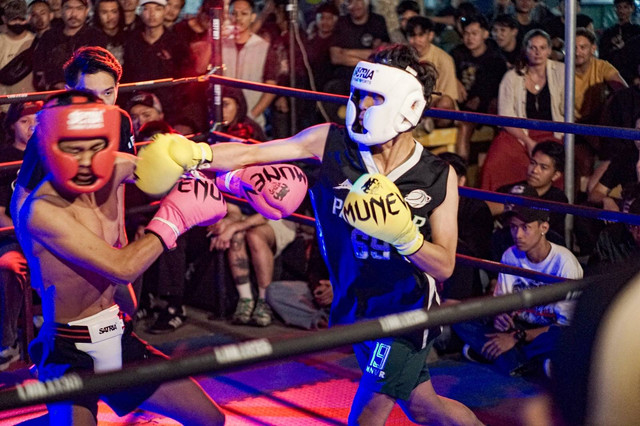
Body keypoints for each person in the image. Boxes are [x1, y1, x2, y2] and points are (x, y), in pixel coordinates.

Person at [137, 43, 481, 425]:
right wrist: (196, 153)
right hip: (355, 305)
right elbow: (254, 155)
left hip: (406, 312)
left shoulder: (437, 175)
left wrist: (406, 237)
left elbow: (445, 265)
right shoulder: (330, 142)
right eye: (360, 94)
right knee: (423, 406)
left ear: (407, 106)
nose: (363, 105)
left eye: (375, 97)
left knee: (369, 411)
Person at [14, 90, 226, 425]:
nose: (86, 160)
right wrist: (174, 218)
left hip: (117, 336)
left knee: (209, 419)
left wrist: (239, 180)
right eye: (74, 149)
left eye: (95, 146)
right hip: (70, 350)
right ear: (51, 147)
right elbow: (123, 267)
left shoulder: (116, 168)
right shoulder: (43, 210)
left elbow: (191, 160)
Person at [452, 202, 583, 377]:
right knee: (460, 316)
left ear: (543, 227)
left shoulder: (564, 262)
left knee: (563, 338)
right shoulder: (510, 254)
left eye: (525, 227)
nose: (518, 235)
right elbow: (502, 303)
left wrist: (516, 337)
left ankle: (502, 356)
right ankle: (530, 364)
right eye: (514, 227)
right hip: (518, 325)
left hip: (546, 330)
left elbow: (566, 323)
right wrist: (501, 317)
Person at [481, 29, 564, 192]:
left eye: (542, 48)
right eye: (533, 48)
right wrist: (527, 141)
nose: (538, 52)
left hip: (552, 132)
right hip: (519, 132)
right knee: (497, 157)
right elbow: (505, 115)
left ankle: (548, 209)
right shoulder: (512, 76)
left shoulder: (562, 72)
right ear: (525, 50)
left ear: (549, 50)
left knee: (555, 159)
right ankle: (494, 206)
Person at [0, 101, 41, 371]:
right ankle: (8, 344)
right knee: (8, 266)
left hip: (50, 232)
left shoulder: (48, 153)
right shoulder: (4, 158)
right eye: (24, 121)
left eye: (36, 119)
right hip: (14, 235)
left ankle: (58, 327)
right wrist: (25, 235)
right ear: (12, 125)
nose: (31, 126)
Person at [451, 14, 507, 160]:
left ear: (485, 34)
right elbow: (445, 70)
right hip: (457, 104)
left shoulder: (495, 59)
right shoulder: (457, 53)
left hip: (482, 108)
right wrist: (454, 80)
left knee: (465, 125)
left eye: (474, 33)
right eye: (466, 33)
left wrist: (480, 98)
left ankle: (460, 170)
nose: (470, 38)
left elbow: (493, 89)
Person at [32, 0, 107, 90]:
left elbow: (95, 68)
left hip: (84, 93)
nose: (73, 14)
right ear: (61, 10)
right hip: (53, 97)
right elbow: (39, 71)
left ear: (86, 11)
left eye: (79, 8)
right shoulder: (49, 36)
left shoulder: (95, 36)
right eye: (69, 8)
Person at [406, 16, 458, 130]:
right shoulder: (403, 58)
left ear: (430, 35)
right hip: (409, 105)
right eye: (412, 36)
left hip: (433, 106)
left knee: (445, 103)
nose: (416, 41)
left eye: (421, 35)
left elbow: (449, 95)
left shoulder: (444, 59)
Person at [0, 0, 36, 112]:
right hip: (4, 107)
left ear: (28, 18)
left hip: (31, 105)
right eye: (13, 19)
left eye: (21, 19)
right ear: (4, 19)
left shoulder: (35, 41)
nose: (17, 23)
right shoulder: (1, 41)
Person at [92, 0, 127, 66]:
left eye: (114, 12)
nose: (110, 17)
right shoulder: (90, 39)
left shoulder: (129, 38)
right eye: (104, 12)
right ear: (97, 14)